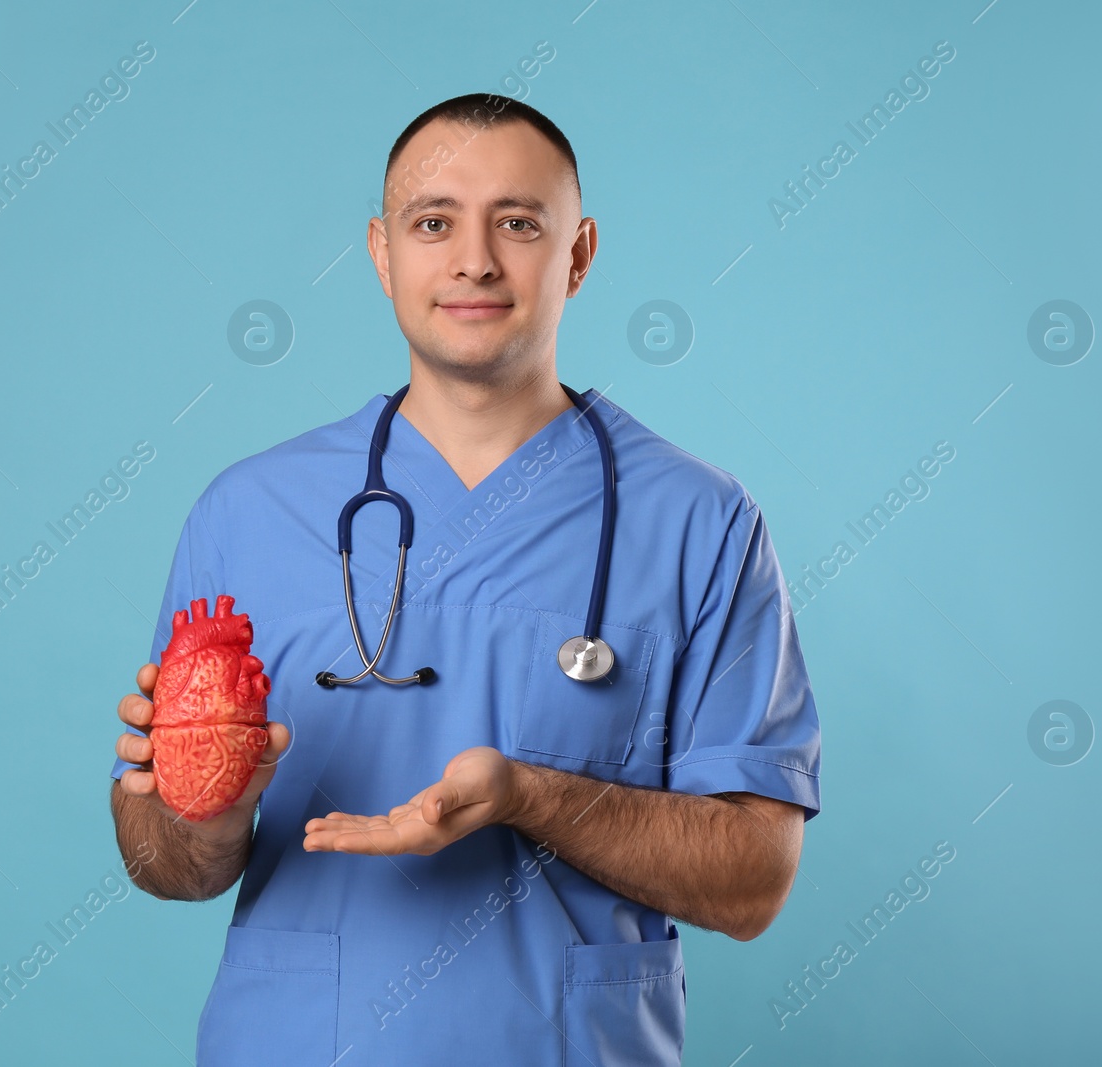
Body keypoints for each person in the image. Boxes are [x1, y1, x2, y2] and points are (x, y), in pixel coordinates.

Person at [109, 92, 821, 1066]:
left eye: (518, 224)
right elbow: (165, 864)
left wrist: (529, 794)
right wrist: (208, 803)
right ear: (381, 251)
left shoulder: (701, 522)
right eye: (433, 222)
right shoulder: (247, 512)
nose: (474, 260)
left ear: (577, 253)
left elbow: (753, 883)